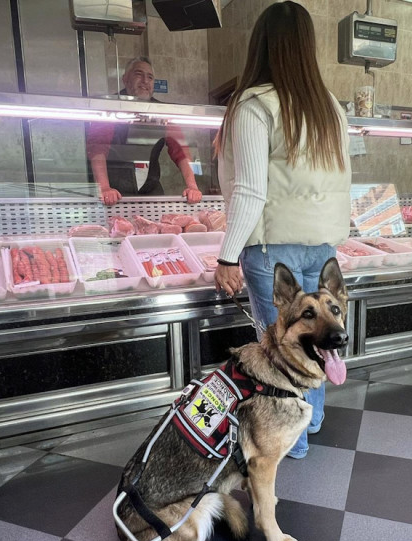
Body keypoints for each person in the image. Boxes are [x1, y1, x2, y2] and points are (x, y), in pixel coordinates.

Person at [213, 2, 351, 459]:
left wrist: (227, 256)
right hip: (322, 247)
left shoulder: (256, 104)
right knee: (320, 339)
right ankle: (313, 421)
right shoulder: (330, 106)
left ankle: (290, 440)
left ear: (261, 45)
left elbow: (250, 191)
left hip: (274, 253)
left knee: (279, 350)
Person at [86, 57, 203, 205]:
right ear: (125, 79)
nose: (145, 81)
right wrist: (104, 188)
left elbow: (181, 150)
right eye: (138, 74)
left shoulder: (162, 112)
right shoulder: (110, 108)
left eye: (150, 77)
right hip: (114, 192)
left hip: (150, 189)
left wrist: (192, 186)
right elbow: (97, 148)